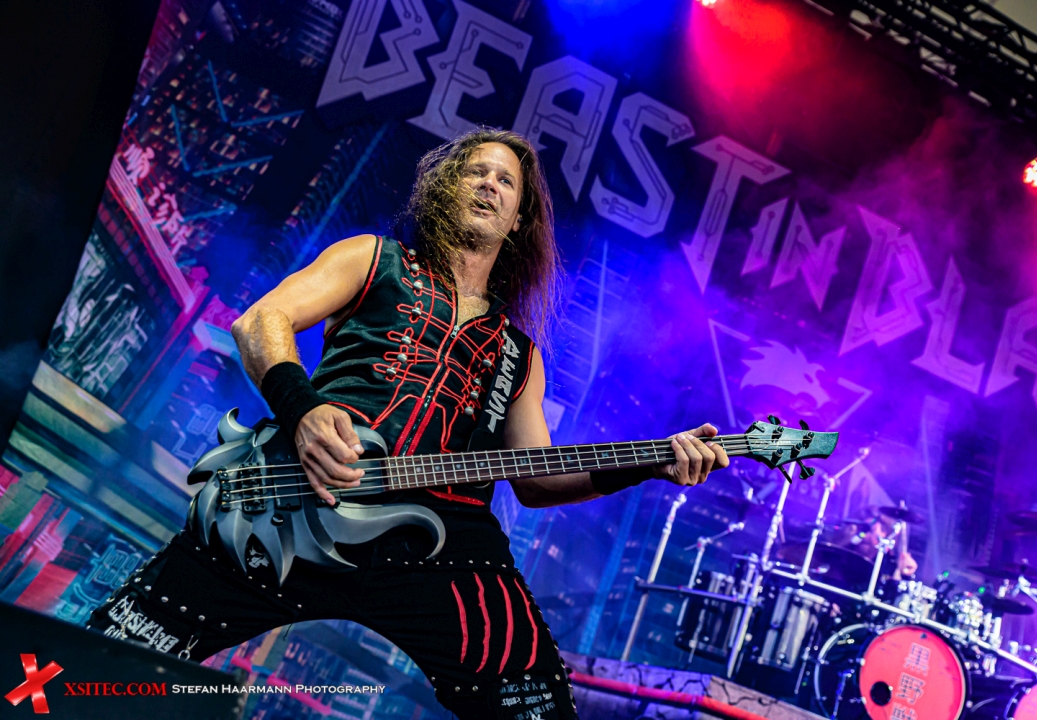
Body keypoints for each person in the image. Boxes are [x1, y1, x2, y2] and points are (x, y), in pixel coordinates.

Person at [87, 128, 730, 719]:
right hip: (295, 503)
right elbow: (261, 320)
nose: (489, 184)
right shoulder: (372, 259)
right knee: (96, 670)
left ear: (518, 219)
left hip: (442, 547)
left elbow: (537, 479)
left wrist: (649, 463)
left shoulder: (521, 355)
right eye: (476, 171)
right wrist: (302, 411)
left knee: (534, 703)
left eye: (506, 181)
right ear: (445, 187)